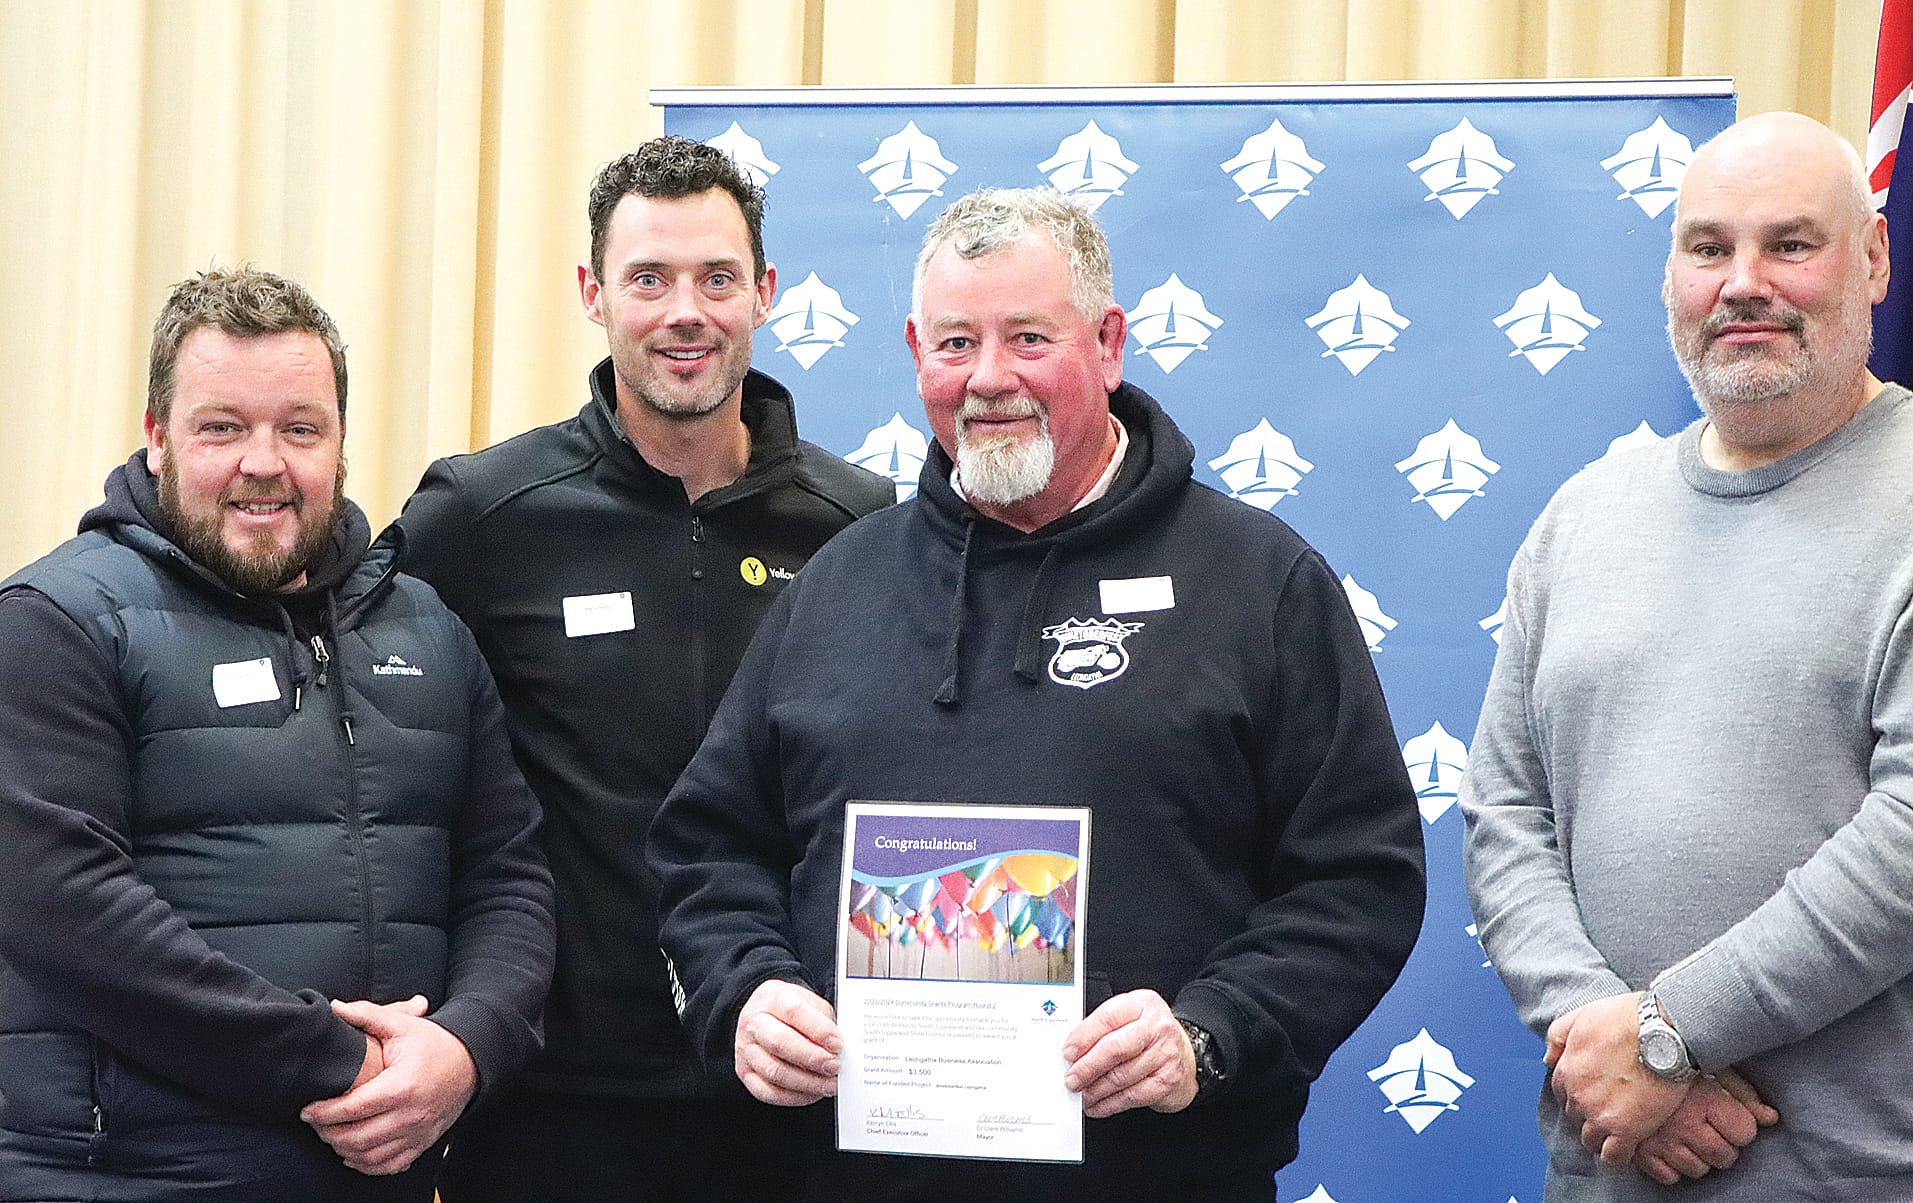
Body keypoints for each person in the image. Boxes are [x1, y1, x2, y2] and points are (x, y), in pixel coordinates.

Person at [647, 186, 1426, 1202]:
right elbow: (710, 848)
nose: (988, 380)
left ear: (1107, 343)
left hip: (1158, 1178)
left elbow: (1356, 879)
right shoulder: (835, 586)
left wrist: (1208, 1032)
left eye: (1026, 339)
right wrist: (744, 993)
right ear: (914, 352)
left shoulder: (1258, 585)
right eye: (954, 344)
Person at [394, 135, 893, 1201]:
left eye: (717, 278)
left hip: (801, 1091)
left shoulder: (863, 530)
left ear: (764, 291)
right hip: (556, 1104)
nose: (685, 312)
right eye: (649, 279)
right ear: (592, 293)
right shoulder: (481, 516)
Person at [0, 266, 555, 1201]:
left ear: (340, 445)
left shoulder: (426, 626)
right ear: (157, 439)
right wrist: (343, 1065)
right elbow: (67, 911)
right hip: (124, 1174)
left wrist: (465, 1049)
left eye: (299, 427)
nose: (264, 461)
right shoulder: (56, 620)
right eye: (222, 426)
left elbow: (506, 872)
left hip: (377, 1170)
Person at [1461, 111, 1909, 1198]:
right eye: (1707, 248)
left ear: (1872, 259)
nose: (1741, 282)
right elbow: (1503, 811)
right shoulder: (1582, 515)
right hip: (1605, 1165)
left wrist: (1667, 1034)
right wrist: (1600, 1041)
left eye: (1788, 245)